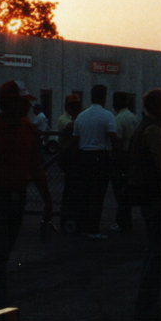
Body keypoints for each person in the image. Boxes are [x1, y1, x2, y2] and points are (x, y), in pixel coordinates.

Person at [0, 79, 53, 315]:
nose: (27, 107)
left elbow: (36, 167)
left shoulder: (28, 129)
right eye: (23, 102)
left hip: (16, 199)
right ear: (9, 104)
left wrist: (47, 200)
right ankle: (1, 314)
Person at [128, 88, 161, 321]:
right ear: (156, 107)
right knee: (158, 250)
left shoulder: (143, 127)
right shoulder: (154, 130)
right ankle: (147, 304)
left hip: (148, 195)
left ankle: (145, 301)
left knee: (152, 249)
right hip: (158, 196)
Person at [71, 84, 118, 239]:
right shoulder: (107, 116)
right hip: (100, 157)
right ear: (104, 97)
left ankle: (82, 226)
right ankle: (93, 229)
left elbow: (75, 140)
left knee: (84, 193)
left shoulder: (81, 116)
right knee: (98, 194)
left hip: (83, 156)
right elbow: (113, 138)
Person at [110, 91, 140, 233]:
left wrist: (114, 159)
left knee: (119, 192)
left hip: (122, 157)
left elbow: (118, 142)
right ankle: (125, 221)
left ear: (114, 103)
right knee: (127, 190)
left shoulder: (118, 119)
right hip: (133, 156)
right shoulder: (134, 118)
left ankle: (122, 222)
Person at [57, 94, 83, 230]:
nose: (75, 108)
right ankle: (66, 218)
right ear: (67, 107)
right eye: (72, 105)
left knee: (76, 189)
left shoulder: (79, 118)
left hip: (76, 156)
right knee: (70, 189)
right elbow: (70, 127)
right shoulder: (64, 118)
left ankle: (75, 217)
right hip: (66, 156)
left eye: (77, 105)